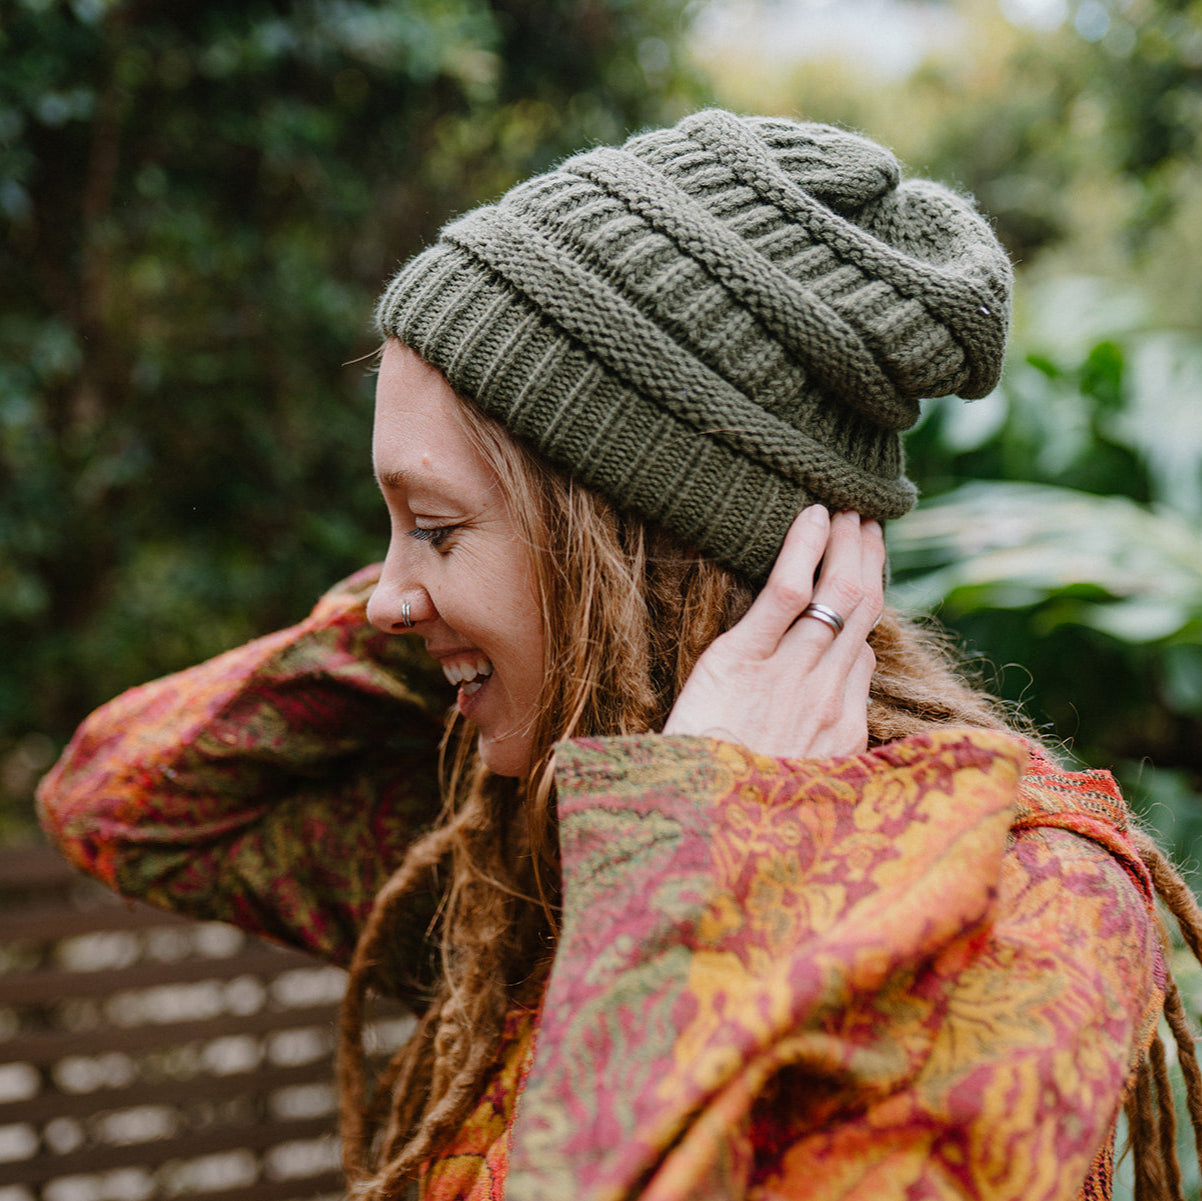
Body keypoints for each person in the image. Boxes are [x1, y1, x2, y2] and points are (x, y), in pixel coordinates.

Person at [37, 110, 1202, 1201]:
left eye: (434, 525)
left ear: (627, 541)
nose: (382, 597)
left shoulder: (1021, 902)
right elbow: (123, 800)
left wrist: (685, 865)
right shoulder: (539, 834)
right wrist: (456, 612)